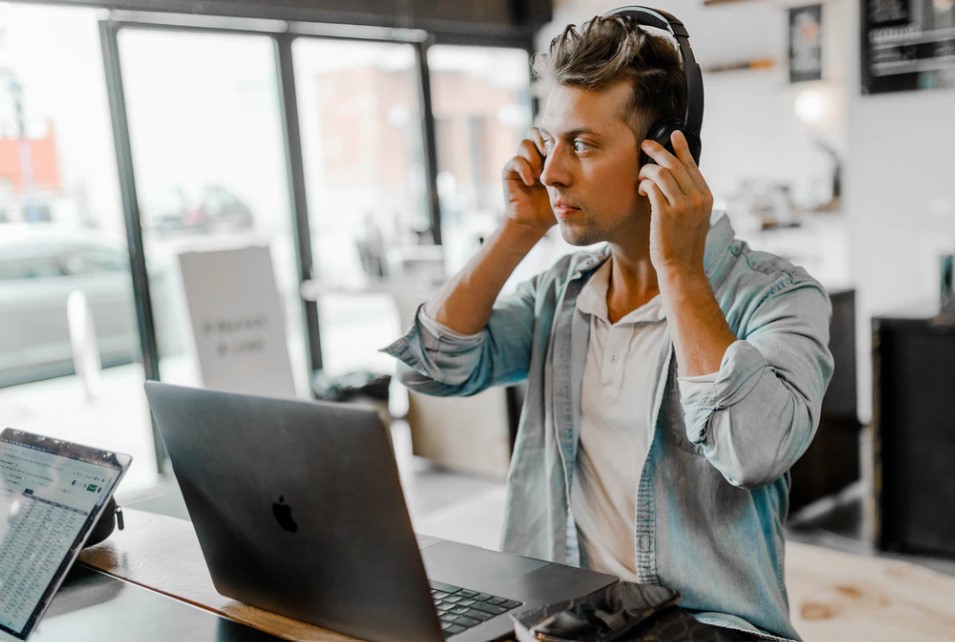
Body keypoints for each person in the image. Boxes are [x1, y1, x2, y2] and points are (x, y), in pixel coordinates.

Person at [383, 11, 833, 641]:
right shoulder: (560, 296)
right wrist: (518, 230)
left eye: (584, 145)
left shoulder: (778, 296)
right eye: (548, 142)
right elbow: (427, 367)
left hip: (706, 630)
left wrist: (678, 268)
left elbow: (753, 452)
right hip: (561, 622)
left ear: (666, 154)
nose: (550, 173)